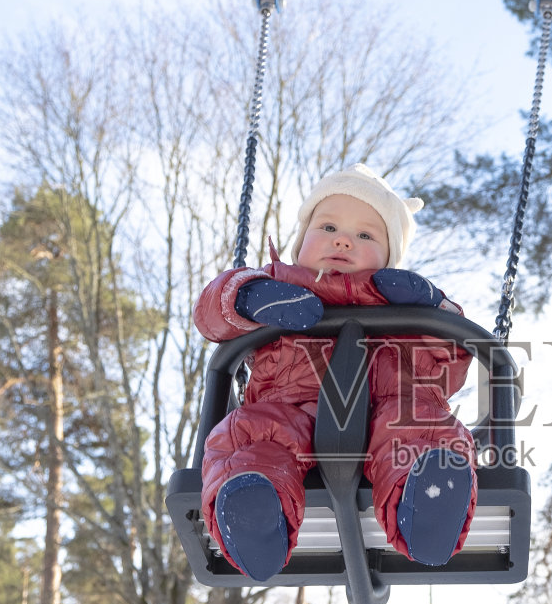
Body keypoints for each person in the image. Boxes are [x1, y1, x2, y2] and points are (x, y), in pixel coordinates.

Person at [194, 163, 476, 581]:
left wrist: (434, 307)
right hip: (287, 410)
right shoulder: (274, 286)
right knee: (252, 435)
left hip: (391, 412)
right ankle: (253, 512)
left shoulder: (408, 308)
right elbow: (211, 315)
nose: (343, 239)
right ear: (300, 240)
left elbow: (448, 364)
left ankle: (428, 503)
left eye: (365, 235)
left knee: (421, 426)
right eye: (327, 227)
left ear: (389, 257)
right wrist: (249, 297)